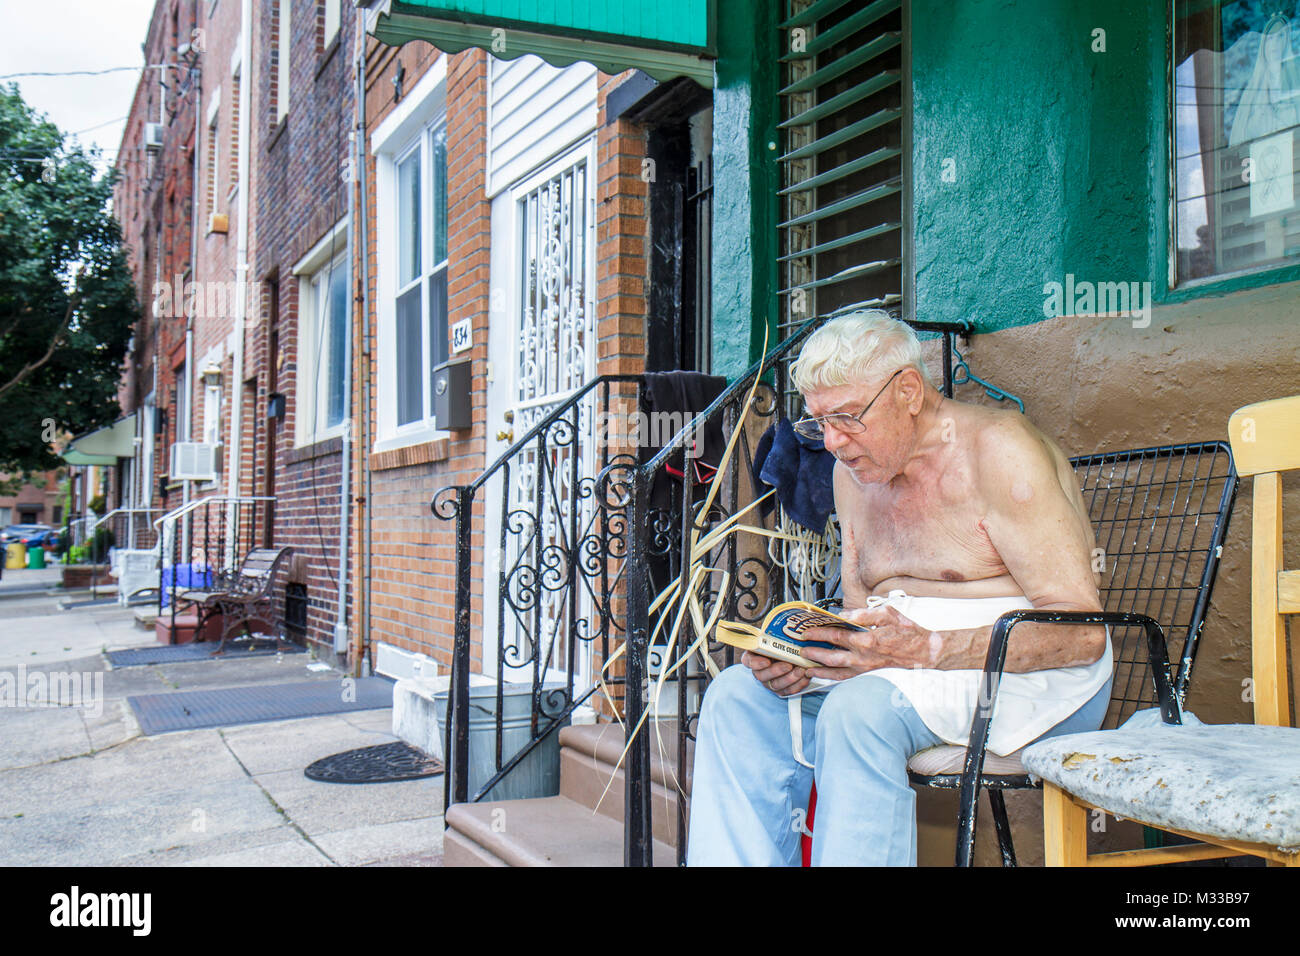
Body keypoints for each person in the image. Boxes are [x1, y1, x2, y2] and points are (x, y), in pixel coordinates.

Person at [686, 310, 1113, 866]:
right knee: (737, 698)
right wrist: (808, 660)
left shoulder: (999, 451)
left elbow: (1082, 635)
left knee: (861, 711)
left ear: (909, 391)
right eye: (819, 423)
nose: (833, 442)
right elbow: (861, 622)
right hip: (898, 674)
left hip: (1028, 677)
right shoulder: (853, 475)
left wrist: (931, 649)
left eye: (847, 417)